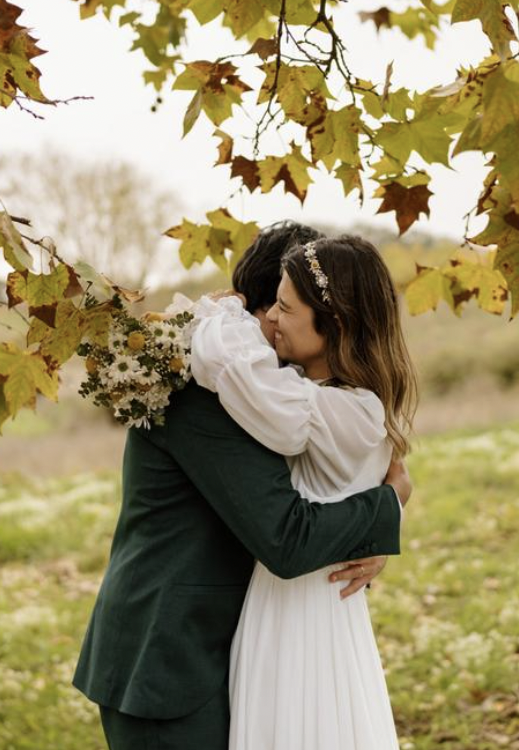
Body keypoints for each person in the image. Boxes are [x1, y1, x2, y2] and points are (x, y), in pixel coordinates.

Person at [70, 222, 412, 749]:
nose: (278, 322)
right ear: (258, 303)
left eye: (291, 306)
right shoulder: (207, 394)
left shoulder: (268, 390)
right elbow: (287, 535)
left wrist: (373, 523)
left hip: (226, 646)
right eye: (277, 304)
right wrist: (384, 510)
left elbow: (336, 448)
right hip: (172, 659)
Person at [190, 233, 417, 749]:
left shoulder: (332, 410)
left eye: (285, 308)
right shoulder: (337, 399)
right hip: (305, 601)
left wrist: (225, 316)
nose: (270, 318)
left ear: (334, 324)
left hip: (301, 610)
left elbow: (233, 369)